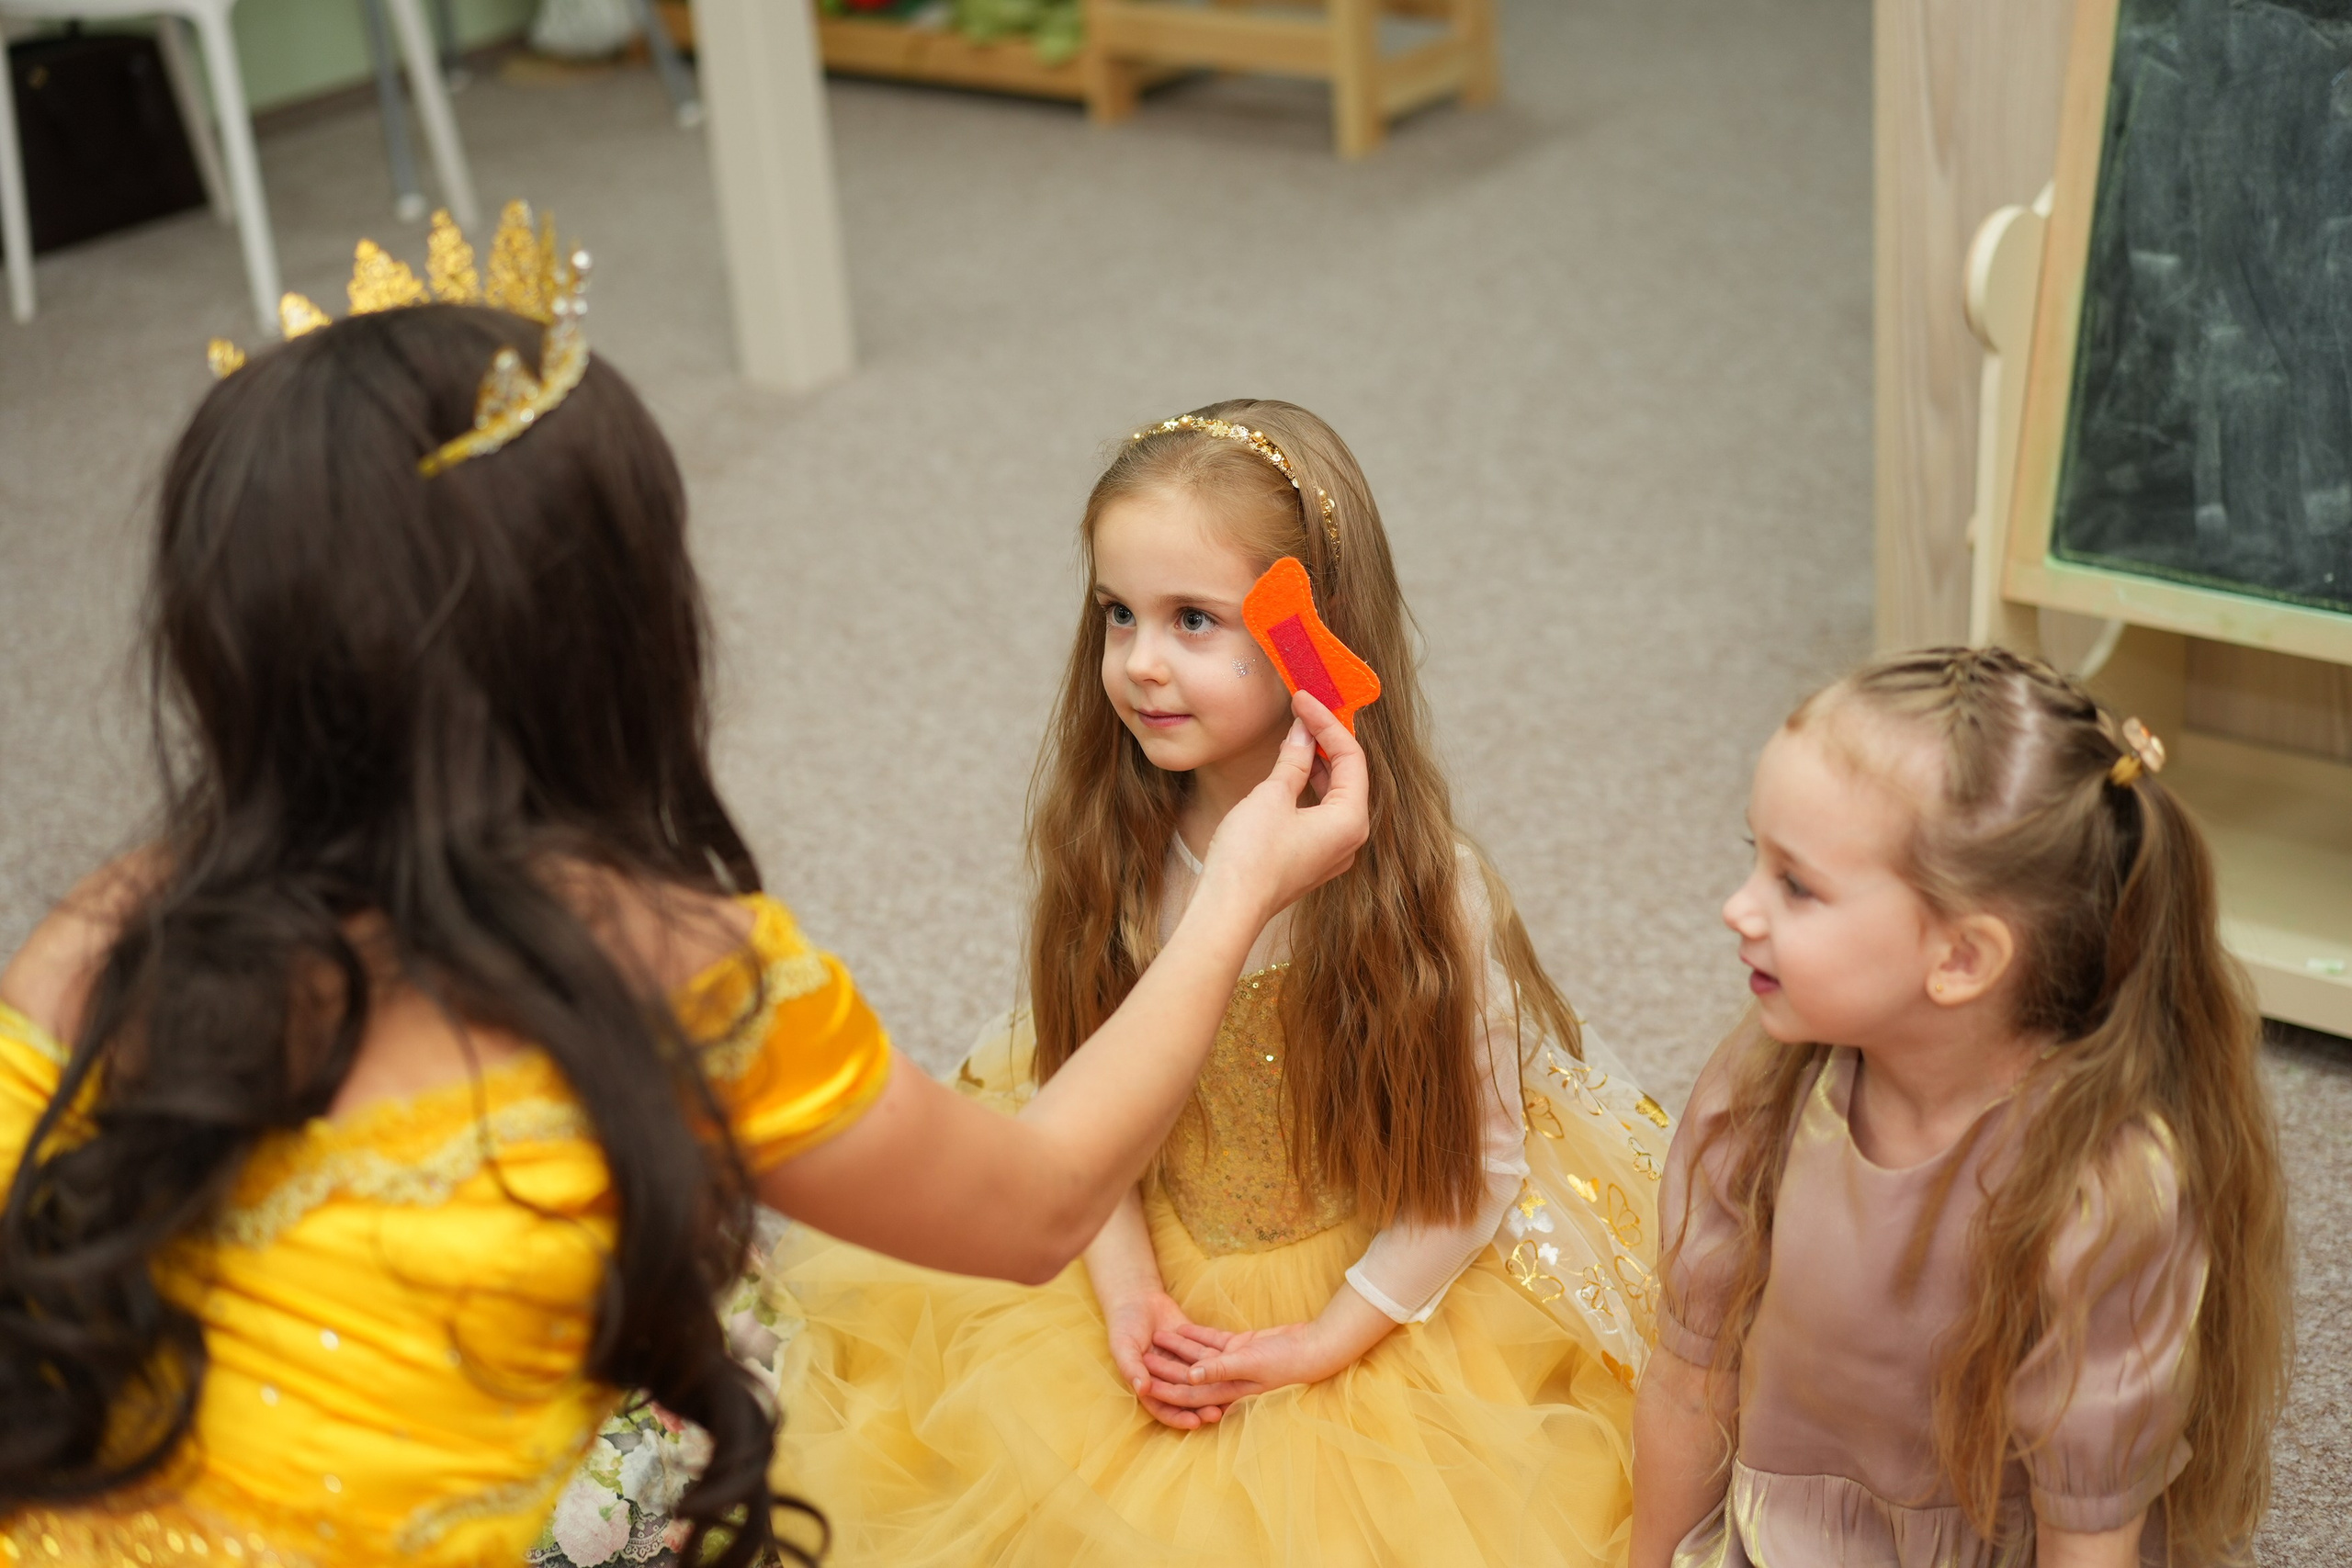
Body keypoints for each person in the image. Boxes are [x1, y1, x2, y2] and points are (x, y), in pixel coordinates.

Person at [0, 274, 1368, 1568]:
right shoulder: (669, 965)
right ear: (610, 633)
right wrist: (1240, 886)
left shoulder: (93, 934)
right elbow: (1037, 1207)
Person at [765, 400, 1667, 1567]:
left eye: (1193, 620)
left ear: (1314, 637)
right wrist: (1127, 1292)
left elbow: (1469, 1167)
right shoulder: (1110, 846)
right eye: (1117, 614)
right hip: (1133, 1225)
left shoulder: (1426, 890)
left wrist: (1323, 1341)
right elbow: (1084, 1080)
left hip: (1372, 1274)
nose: (1140, 662)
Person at [1632, 647, 2294, 1568]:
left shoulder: (2100, 1185)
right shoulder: (1765, 1083)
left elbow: (2087, 1522)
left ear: (1962, 959)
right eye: (1756, 858)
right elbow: (1690, 1375)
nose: (1735, 908)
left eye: (1796, 884)